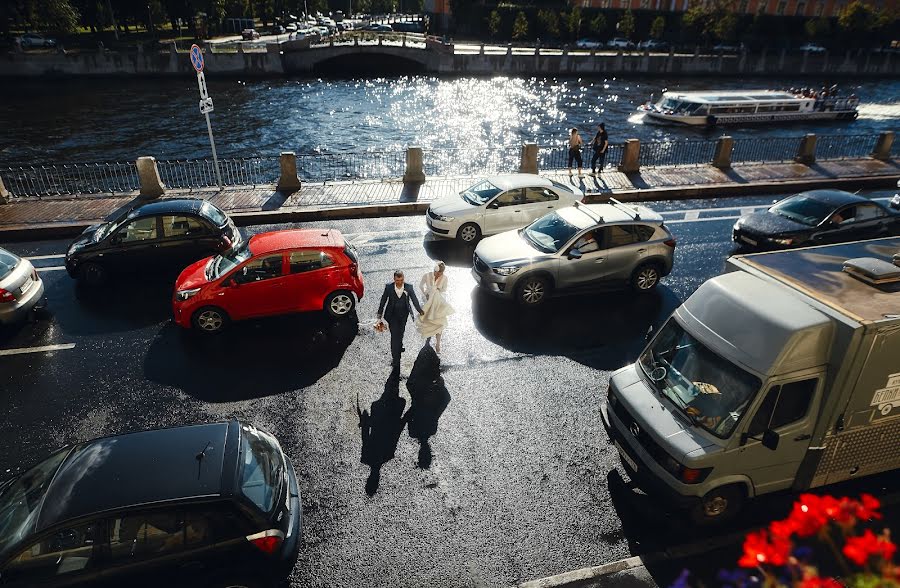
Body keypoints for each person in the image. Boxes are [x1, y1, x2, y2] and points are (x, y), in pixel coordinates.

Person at [377, 270, 424, 372]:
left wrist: (420, 310)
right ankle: (395, 359)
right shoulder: (389, 287)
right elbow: (383, 300)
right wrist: (379, 313)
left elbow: (414, 299)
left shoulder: (409, 287)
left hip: (404, 314)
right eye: (397, 280)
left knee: (401, 331)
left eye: (401, 280)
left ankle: (400, 344)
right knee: (394, 336)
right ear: (394, 279)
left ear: (404, 278)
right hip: (392, 315)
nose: (400, 282)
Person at [416, 261, 454, 354]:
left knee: (439, 322)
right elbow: (421, 285)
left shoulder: (445, 278)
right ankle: (428, 337)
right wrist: (426, 294)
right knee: (428, 320)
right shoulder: (427, 275)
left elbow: (444, 290)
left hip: (437, 302)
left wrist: (437, 289)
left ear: (443, 272)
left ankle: (438, 343)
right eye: (436, 272)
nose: (438, 274)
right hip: (428, 301)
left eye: (440, 272)